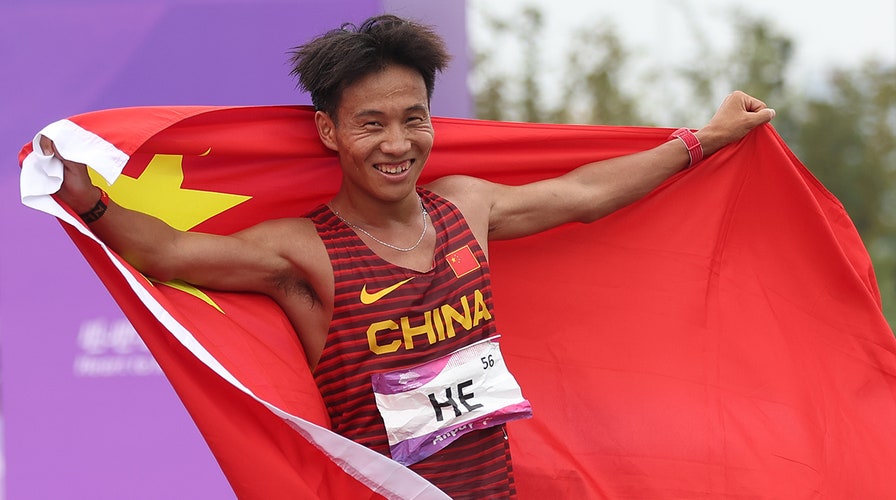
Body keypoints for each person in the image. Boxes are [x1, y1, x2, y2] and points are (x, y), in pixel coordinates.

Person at [40, 14, 775, 499]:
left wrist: (703, 140)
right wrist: (85, 196)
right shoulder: (303, 251)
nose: (397, 144)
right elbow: (169, 252)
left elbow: (583, 194)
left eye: (413, 118)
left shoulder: (466, 206)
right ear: (329, 132)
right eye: (372, 124)